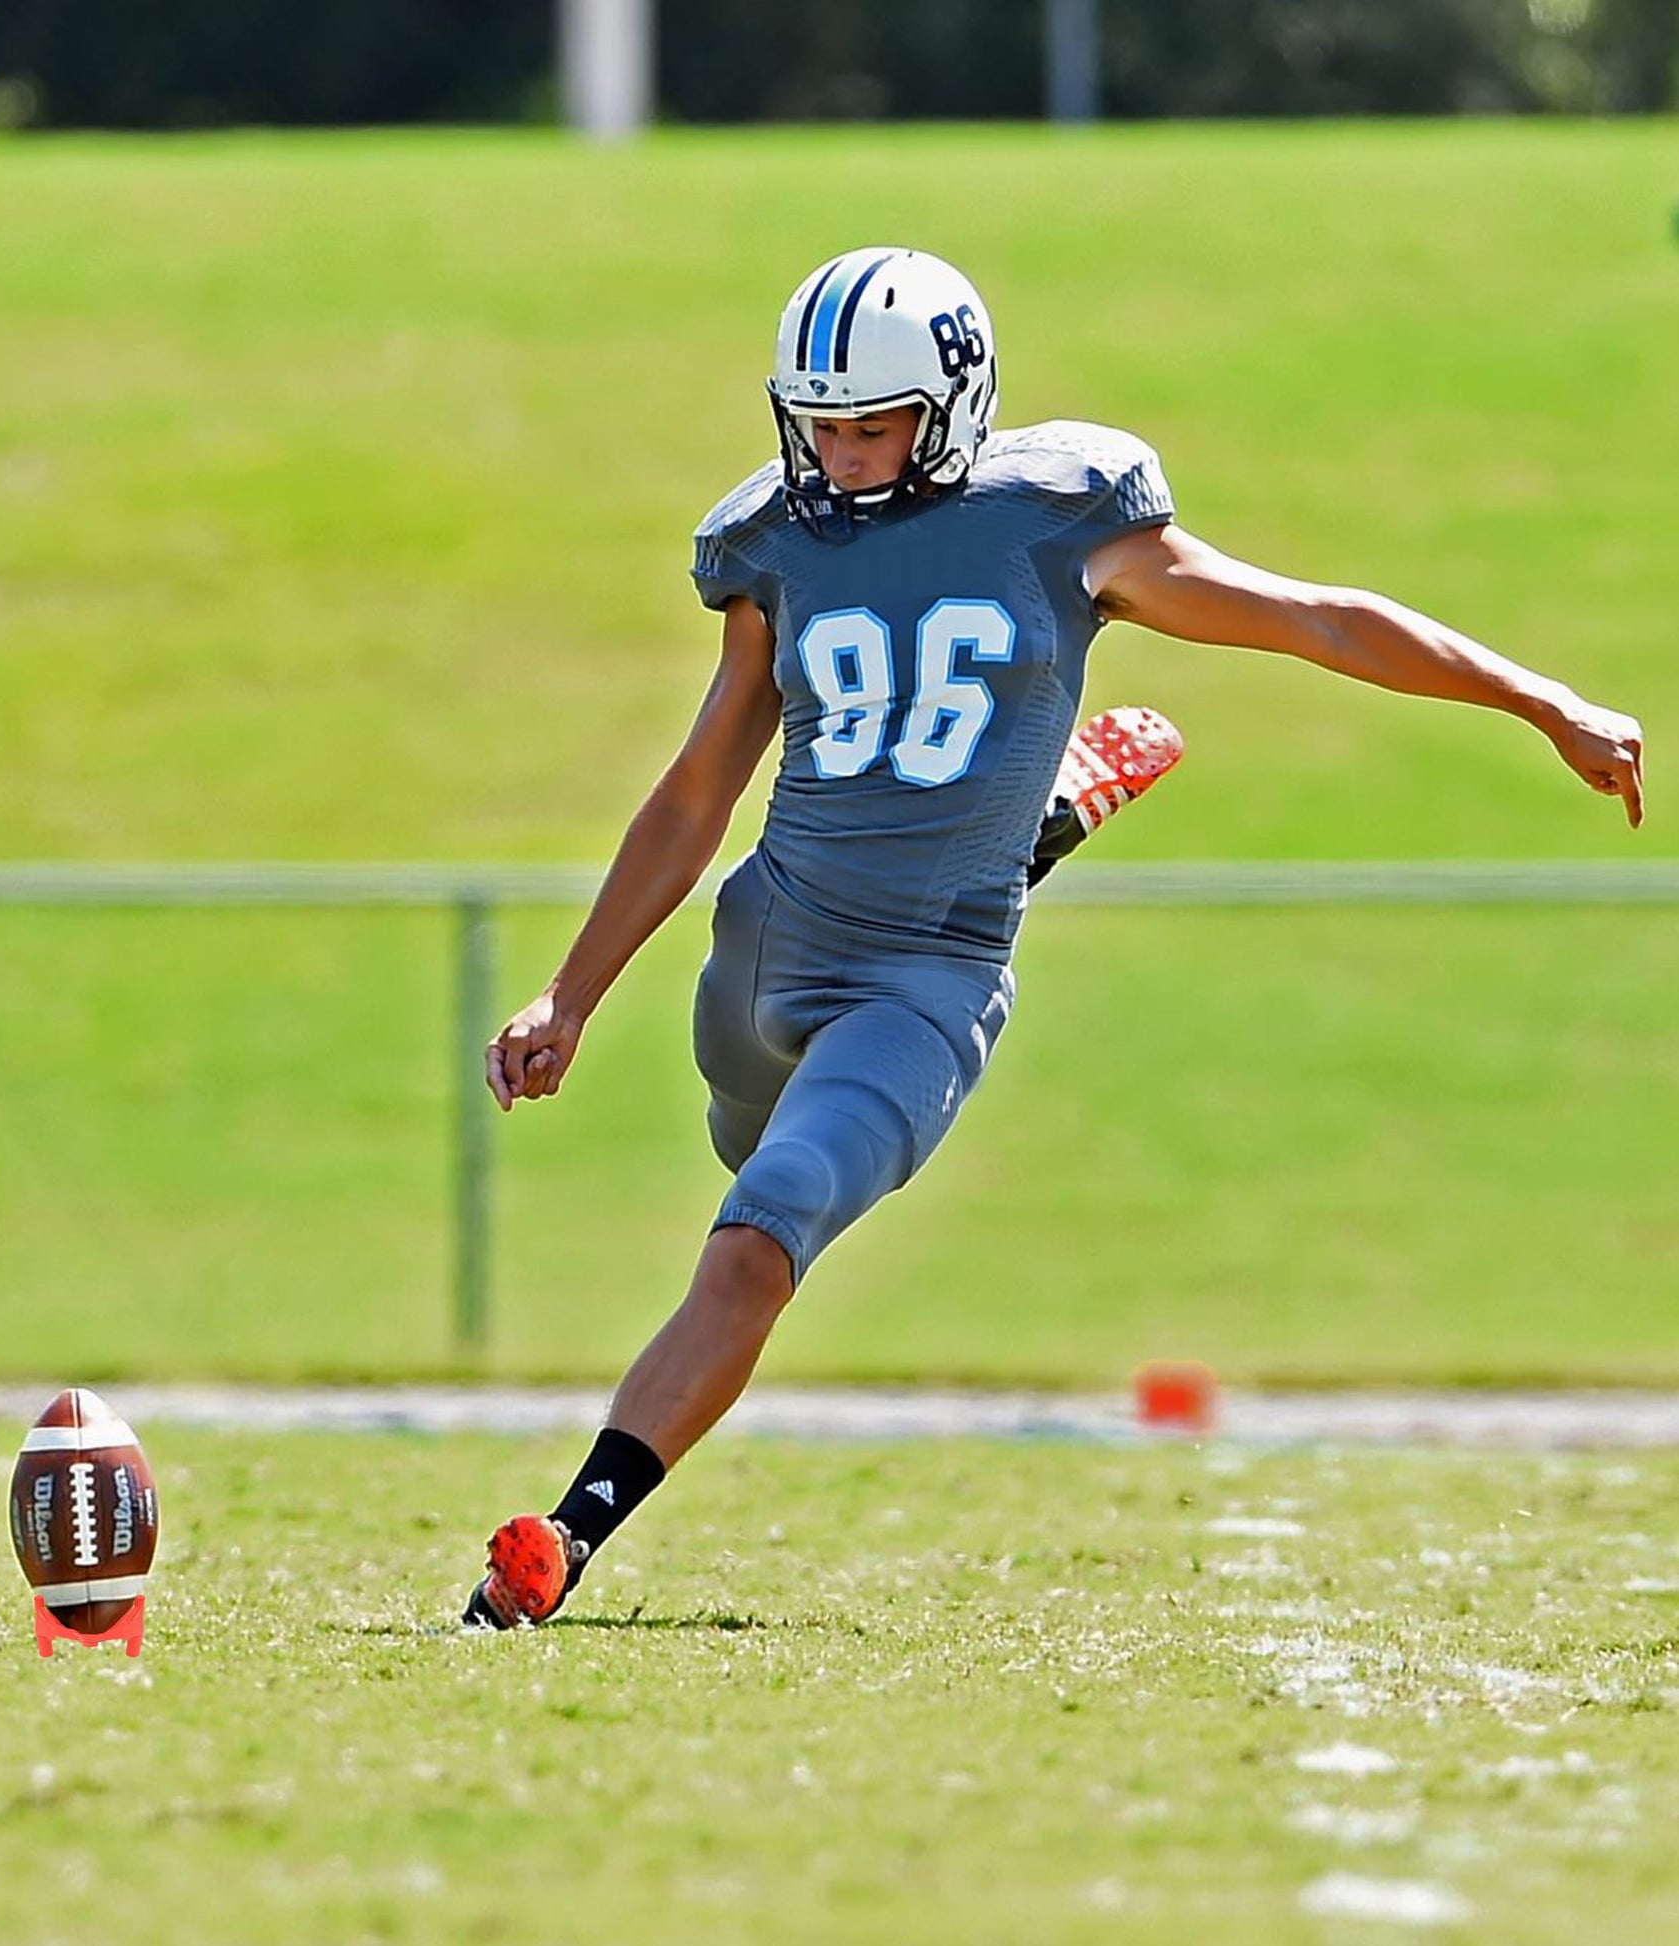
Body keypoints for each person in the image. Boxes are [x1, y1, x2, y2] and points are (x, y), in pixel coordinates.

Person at [463, 247, 1645, 1630]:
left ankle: (560, 1541)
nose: (839, 456)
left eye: (871, 425)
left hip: (924, 983)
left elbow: (1318, 619)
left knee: (755, 1236)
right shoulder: (771, 545)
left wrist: (1539, 699)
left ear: (953, 402)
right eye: (819, 425)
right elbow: (694, 791)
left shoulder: (1062, 518)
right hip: (770, 936)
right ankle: (1030, 829)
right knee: (743, 1127)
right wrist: (571, 992)